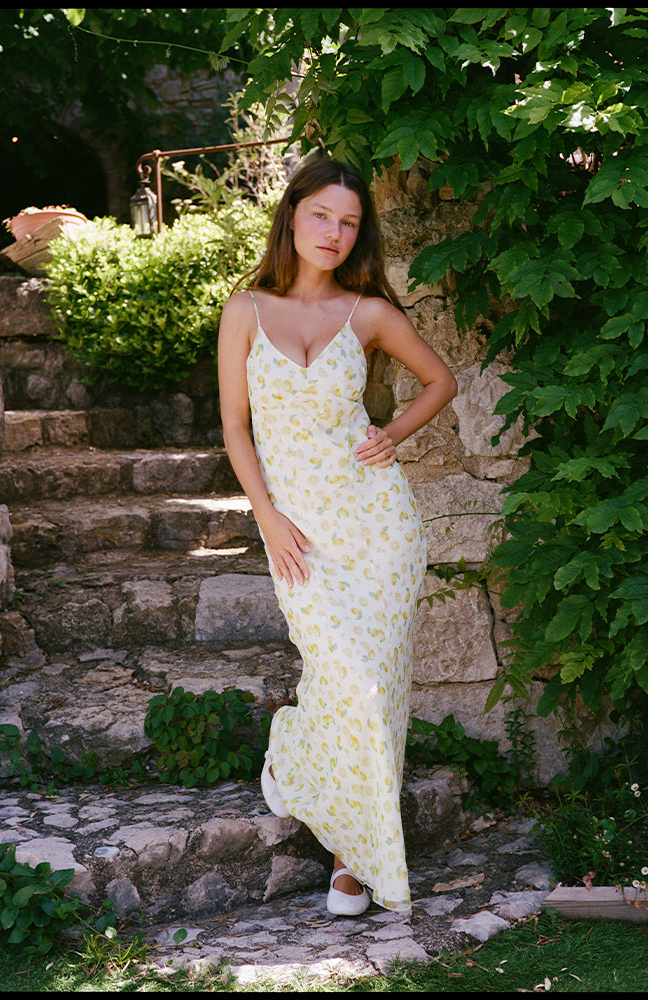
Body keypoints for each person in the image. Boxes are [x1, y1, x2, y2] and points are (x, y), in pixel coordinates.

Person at [218, 153, 457, 916]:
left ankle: (352, 862)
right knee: (341, 677)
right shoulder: (245, 310)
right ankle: (292, 758)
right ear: (292, 214)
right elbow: (235, 426)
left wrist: (393, 434)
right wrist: (266, 516)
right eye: (321, 214)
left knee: (377, 684)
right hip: (299, 530)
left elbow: (441, 381)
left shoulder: (368, 314)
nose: (333, 232)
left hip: (380, 525)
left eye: (349, 222)